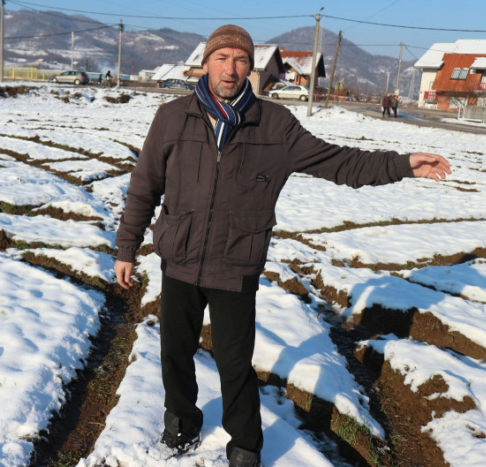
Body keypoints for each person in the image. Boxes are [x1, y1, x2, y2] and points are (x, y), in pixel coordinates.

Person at [113, 24, 451, 467]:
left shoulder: (274, 125)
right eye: (221, 58)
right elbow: (144, 187)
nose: (229, 69)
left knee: (235, 366)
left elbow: (341, 162)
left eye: (239, 61)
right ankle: (181, 422)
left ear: (249, 69)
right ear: (205, 64)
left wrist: (402, 165)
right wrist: (126, 247)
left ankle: (246, 446)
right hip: (178, 260)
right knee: (175, 355)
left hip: (236, 265)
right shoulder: (172, 117)